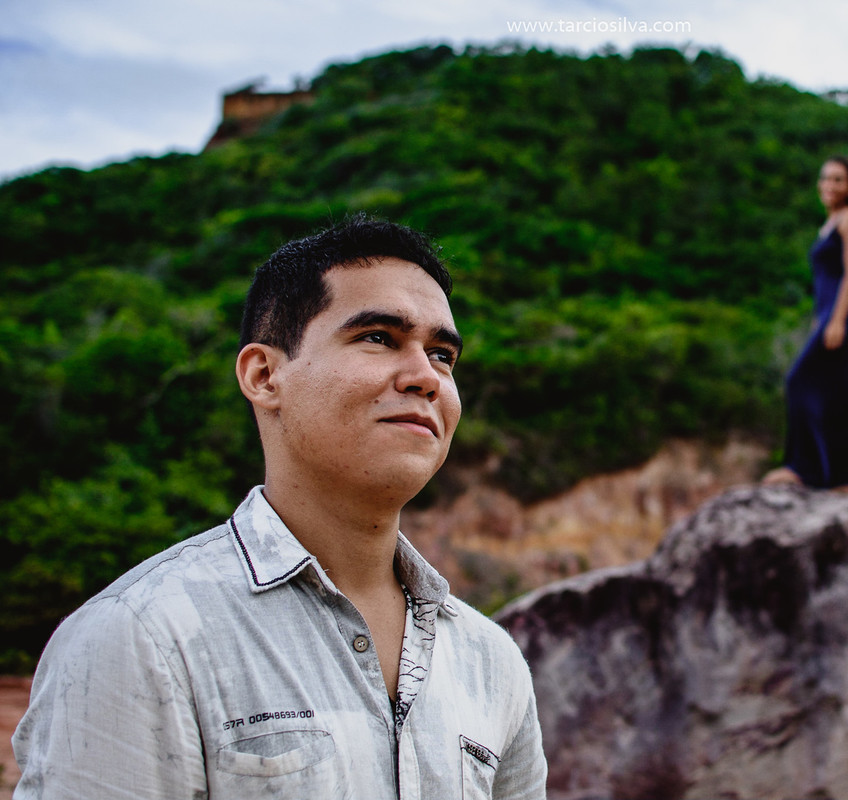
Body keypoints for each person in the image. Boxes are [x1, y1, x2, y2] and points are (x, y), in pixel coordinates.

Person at [12, 214, 548, 799]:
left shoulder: (489, 659)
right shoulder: (141, 637)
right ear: (265, 375)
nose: (426, 376)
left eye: (443, 354)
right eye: (378, 338)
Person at [763, 156, 848, 495]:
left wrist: (837, 319)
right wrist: (822, 317)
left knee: (801, 382)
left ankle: (806, 470)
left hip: (844, 316)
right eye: (825, 179)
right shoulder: (830, 221)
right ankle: (846, 478)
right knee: (840, 393)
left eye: (837, 180)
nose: (828, 186)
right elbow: (824, 279)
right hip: (830, 315)